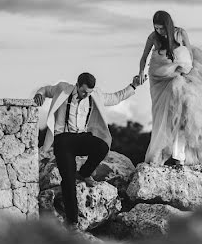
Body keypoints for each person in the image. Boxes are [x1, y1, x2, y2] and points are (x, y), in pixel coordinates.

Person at [34, 72, 141, 228]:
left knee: (102, 146)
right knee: (68, 180)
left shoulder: (94, 95)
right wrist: (39, 94)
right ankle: (72, 221)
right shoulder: (63, 89)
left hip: (82, 137)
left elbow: (115, 97)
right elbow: (45, 89)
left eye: (89, 92)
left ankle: (84, 173)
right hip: (62, 140)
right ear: (77, 85)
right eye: (84, 91)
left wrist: (133, 86)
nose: (86, 95)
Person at [138, 10, 202, 167]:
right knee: (165, 119)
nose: (160, 32)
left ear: (169, 25)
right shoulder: (153, 37)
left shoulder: (180, 33)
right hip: (160, 81)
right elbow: (144, 57)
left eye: (162, 28)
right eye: (157, 28)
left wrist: (188, 73)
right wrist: (140, 73)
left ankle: (180, 157)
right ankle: (161, 154)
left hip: (181, 79)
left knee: (185, 116)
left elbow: (189, 54)